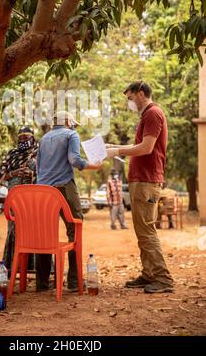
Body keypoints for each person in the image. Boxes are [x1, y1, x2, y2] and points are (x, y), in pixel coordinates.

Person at [106, 81, 174, 293]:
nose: (129, 102)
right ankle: (149, 274)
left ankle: (163, 279)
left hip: (146, 180)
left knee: (146, 230)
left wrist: (117, 152)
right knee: (142, 230)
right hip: (140, 180)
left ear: (141, 93)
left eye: (130, 98)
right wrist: (115, 147)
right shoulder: (146, 116)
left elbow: (146, 148)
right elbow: (140, 147)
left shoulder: (153, 114)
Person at [36, 111, 102, 292]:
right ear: (67, 121)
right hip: (64, 187)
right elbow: (74, 159)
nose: (74, 125)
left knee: (44, 233)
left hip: (43, 191)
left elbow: (38, 167)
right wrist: (94, 165)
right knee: (75, 229)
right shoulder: (71, 134)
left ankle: (41, 283)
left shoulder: (43, 139)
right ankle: (73, 282)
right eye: (73, 122)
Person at [0, 126, 37, 273]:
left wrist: (31, 173)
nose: (22, 141)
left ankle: (32, 268)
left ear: (33, 138)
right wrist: (14, 173)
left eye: (26, 138)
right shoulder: (12, 154)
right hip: (14, 200)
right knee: (14, 230)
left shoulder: (39, 154)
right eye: (20, 138)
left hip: (33, 201)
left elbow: (44, 175)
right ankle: (13, 267)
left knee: (32, 230)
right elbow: (1, 175)